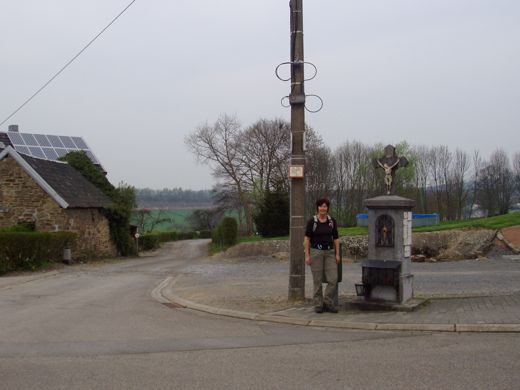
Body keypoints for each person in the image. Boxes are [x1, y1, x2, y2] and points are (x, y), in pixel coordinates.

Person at [304, 198, 340, 313]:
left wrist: (337, 254)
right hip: (316, 252)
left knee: (333, 279)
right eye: (321, 206)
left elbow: (336, 239)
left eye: (325, 206)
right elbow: (307, 239)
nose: (323, 208)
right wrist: (307, 255)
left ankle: (328, 302)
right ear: (317, 208)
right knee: (317, 280)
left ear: (327, 208)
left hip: (329, 252)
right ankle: (318, 304)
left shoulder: (331, 222)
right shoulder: (312, 222)